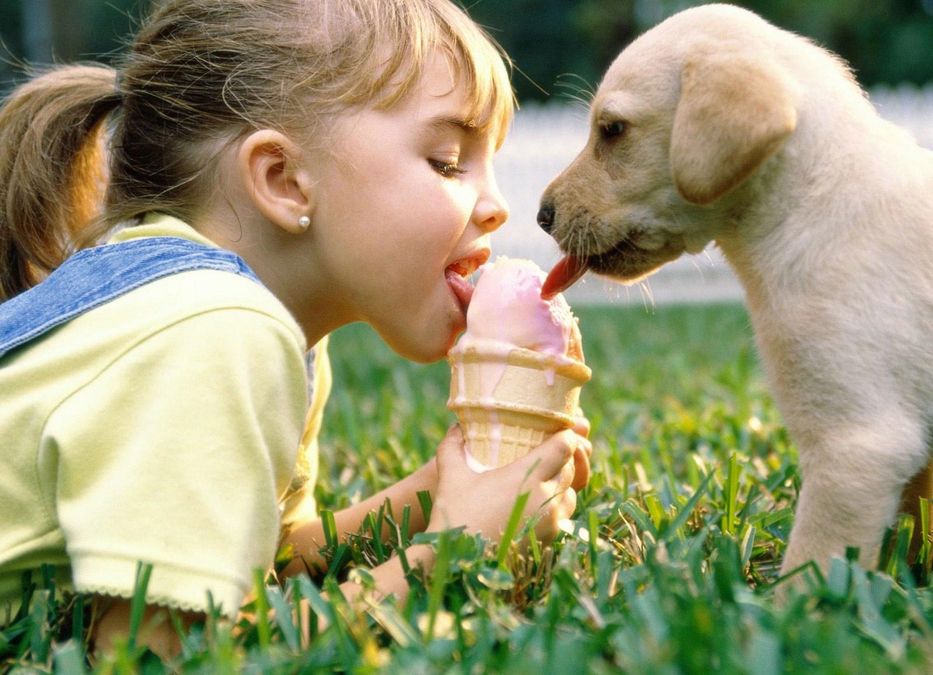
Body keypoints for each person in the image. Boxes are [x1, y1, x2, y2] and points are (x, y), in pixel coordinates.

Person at [0, 0, 591, 659]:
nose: (498, 205)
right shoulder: (214, 329)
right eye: (448, 161)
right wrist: (456, 548)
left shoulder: (251, 323)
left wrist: (433, 494)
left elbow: (271, 561)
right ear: (283, 179)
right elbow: (157, 655)